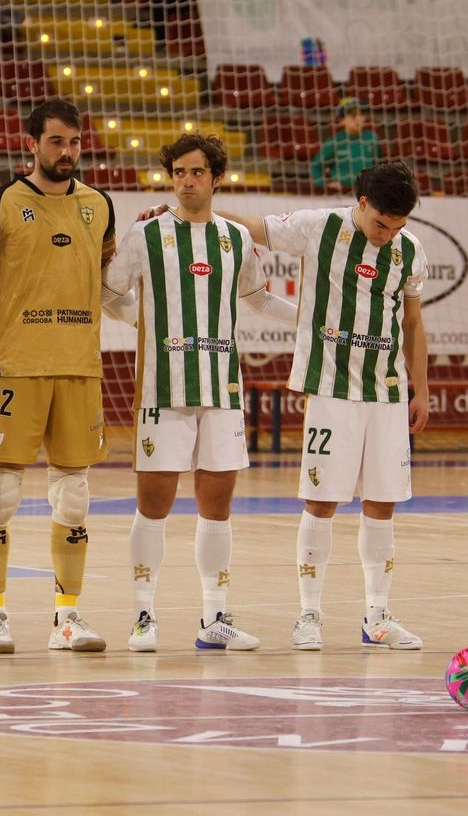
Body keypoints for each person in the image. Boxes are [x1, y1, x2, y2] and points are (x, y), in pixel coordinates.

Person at [184, 161, 430, 651]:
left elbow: (414, 323)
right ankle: (309, 614)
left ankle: (377, 616)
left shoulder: (409, 249)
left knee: (383, 503)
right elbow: (251, 228)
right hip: (331, 386)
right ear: (362, 204)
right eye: (381, 223)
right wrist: (189, 211)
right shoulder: (320, 227)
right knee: (323, 501)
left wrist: (420, 389)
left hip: (387, 390)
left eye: (397, 227)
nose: (387, 235)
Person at [102, 133, 296, 653]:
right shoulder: (145, 235)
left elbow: (258, 298)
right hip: (162, 390)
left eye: (196, 172)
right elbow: (106, 291)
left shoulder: (235, 237)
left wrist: (314, 321)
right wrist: (139, 320)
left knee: (218, 505)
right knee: (155, 503)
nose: (186, 181)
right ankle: (144, 614)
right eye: (179, 173)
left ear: (216, 178)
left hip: (222, 389)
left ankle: (215, 618)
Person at [0, 98, 116, 654]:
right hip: (18, 365)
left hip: (79, 366)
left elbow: (108, 280)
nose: (67, 152)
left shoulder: (98, 204)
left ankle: (67, 618)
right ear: (31, 143)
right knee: (3, 492)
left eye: (75, 141)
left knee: (74, 496)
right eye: (56, 141)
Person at [310, 97, 379, 194]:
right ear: (341, 119)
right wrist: (325, 184)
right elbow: (315, 166)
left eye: (361, 114)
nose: (358, 118)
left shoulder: (373, 138)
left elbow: (380, 164)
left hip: (368, 192)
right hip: (342, 194)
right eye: (353, 115)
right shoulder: (335, 141)